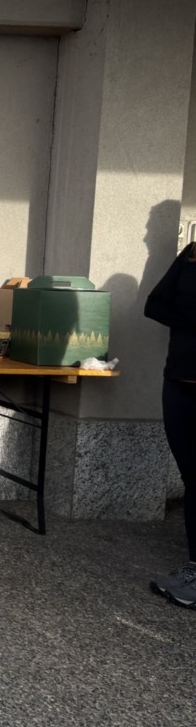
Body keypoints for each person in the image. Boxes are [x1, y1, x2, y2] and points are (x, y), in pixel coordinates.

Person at [144, 242, 196, 608]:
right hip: (178, 381)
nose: (150, 233)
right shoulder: (191, 255)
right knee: (192, 478)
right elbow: (154, 305)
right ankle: (194, 567)